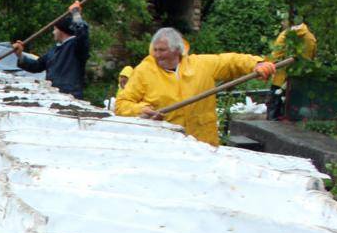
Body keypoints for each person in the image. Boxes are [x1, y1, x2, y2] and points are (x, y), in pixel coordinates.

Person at [115, 27, 276, 146]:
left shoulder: (200, 65)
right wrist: (141, 110)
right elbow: (121, 104)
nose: (157, 55)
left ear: (177, 50)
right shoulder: (144, 71)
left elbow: (230, 61)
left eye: (162, 50)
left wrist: (257, 64)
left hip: (204, 144)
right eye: (155, 50)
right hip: (164, 145)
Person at [12, 1, 90, 98]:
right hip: (53, 95)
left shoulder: (76, 47)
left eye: (55, 29)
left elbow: (82, 32)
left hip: (71, 97)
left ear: (61, 31)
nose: (53, 33)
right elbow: (37, 66)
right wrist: (20, 55)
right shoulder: (55, 50)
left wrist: (75, 13)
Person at [266, 22, 317, 121]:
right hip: (299, 82)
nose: (281, 22)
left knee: (274, 115)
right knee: (294, 115)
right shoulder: (310, 38)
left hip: (280, 82)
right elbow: (311, 59)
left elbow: (275, 56)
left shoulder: (284, 35)